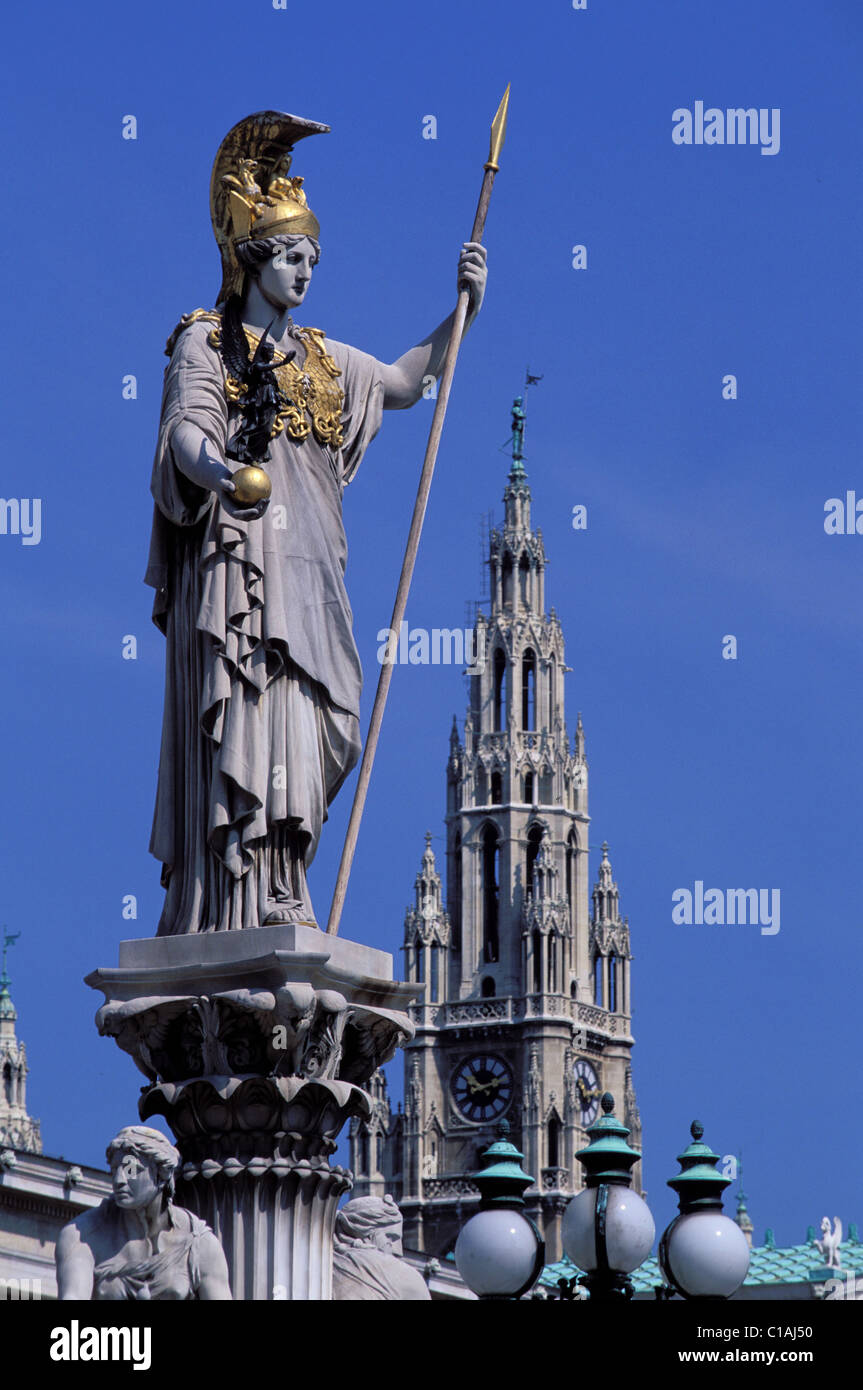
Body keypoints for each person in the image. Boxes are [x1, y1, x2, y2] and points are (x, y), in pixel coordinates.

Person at [146, 118, 487, 934]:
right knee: (247, 706)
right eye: (292, 258)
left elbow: (406, 381)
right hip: (238, 565)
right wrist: (222, 472)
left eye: (312, 261)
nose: (305, 272)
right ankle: (235, 897)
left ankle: (283, 874)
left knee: (316, 720)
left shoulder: (325, 362)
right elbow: (186, 433)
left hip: (312, 576)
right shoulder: (207, 343)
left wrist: (461, 306)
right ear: (253, 257)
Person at [55, 1125, 232, 1300]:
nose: (119, 1181)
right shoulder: (82, 1236)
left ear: (162, 1175)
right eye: (115, 1170)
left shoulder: (200, 1245)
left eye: (131, 1170)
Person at [332, 1194, 430, 1300]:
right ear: (364, 1234)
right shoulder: (409, 1278)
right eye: (390, 1238)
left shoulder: (321, 1266)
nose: (399, 1252)